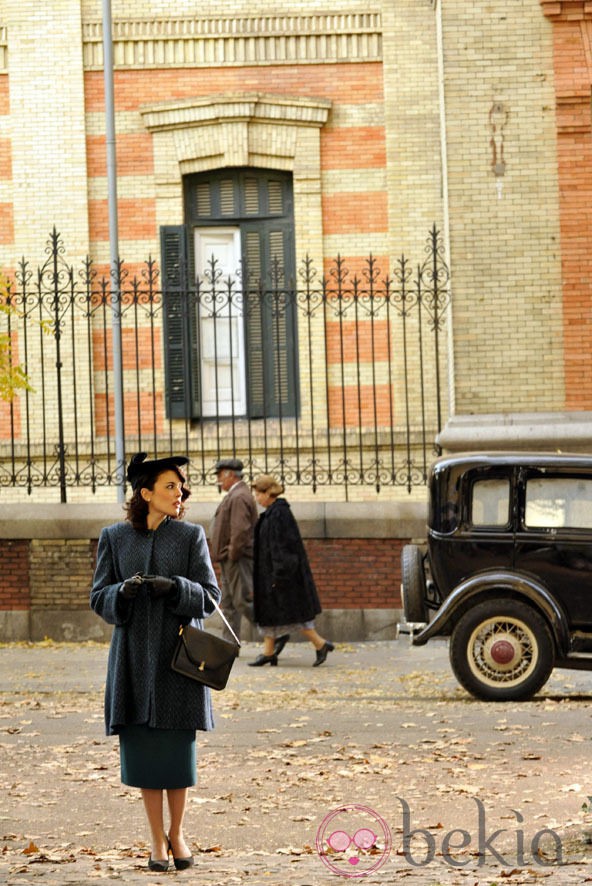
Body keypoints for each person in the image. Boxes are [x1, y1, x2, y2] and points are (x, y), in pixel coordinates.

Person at [90, 452, 221, 873]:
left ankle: (178, 833)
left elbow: (211, 596)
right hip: (131, 661)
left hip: (177, 662)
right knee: (145, 751)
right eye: (169, 486)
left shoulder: (190, 536)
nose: (179, 492)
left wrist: (175, 587)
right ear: (145, 493)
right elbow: (98, 598)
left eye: (181, 486)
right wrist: (120, 595)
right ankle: (155, 841)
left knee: (176, 754)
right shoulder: (114, 537)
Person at [249, 474, 335, 667]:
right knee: (271, 613)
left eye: (258, 493)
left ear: (268, 493)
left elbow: (283, 547)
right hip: (271, 573)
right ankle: (268, 652)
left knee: (294, 614)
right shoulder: (273, 513)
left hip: (282, 575)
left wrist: (278, 575)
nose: (256, 498)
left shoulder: (279, 515)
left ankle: (320, 644)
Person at [210, 457, 258, 642]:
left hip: (236, 559)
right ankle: (229, 643)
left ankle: (273, 632)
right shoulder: (235, 495)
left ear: (230, 474)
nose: (218, 480)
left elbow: (240, 530)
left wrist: (232, 554)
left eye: (220, 475)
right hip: (229, 558)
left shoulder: (239, 496)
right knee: (229, 602)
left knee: (241, 600)